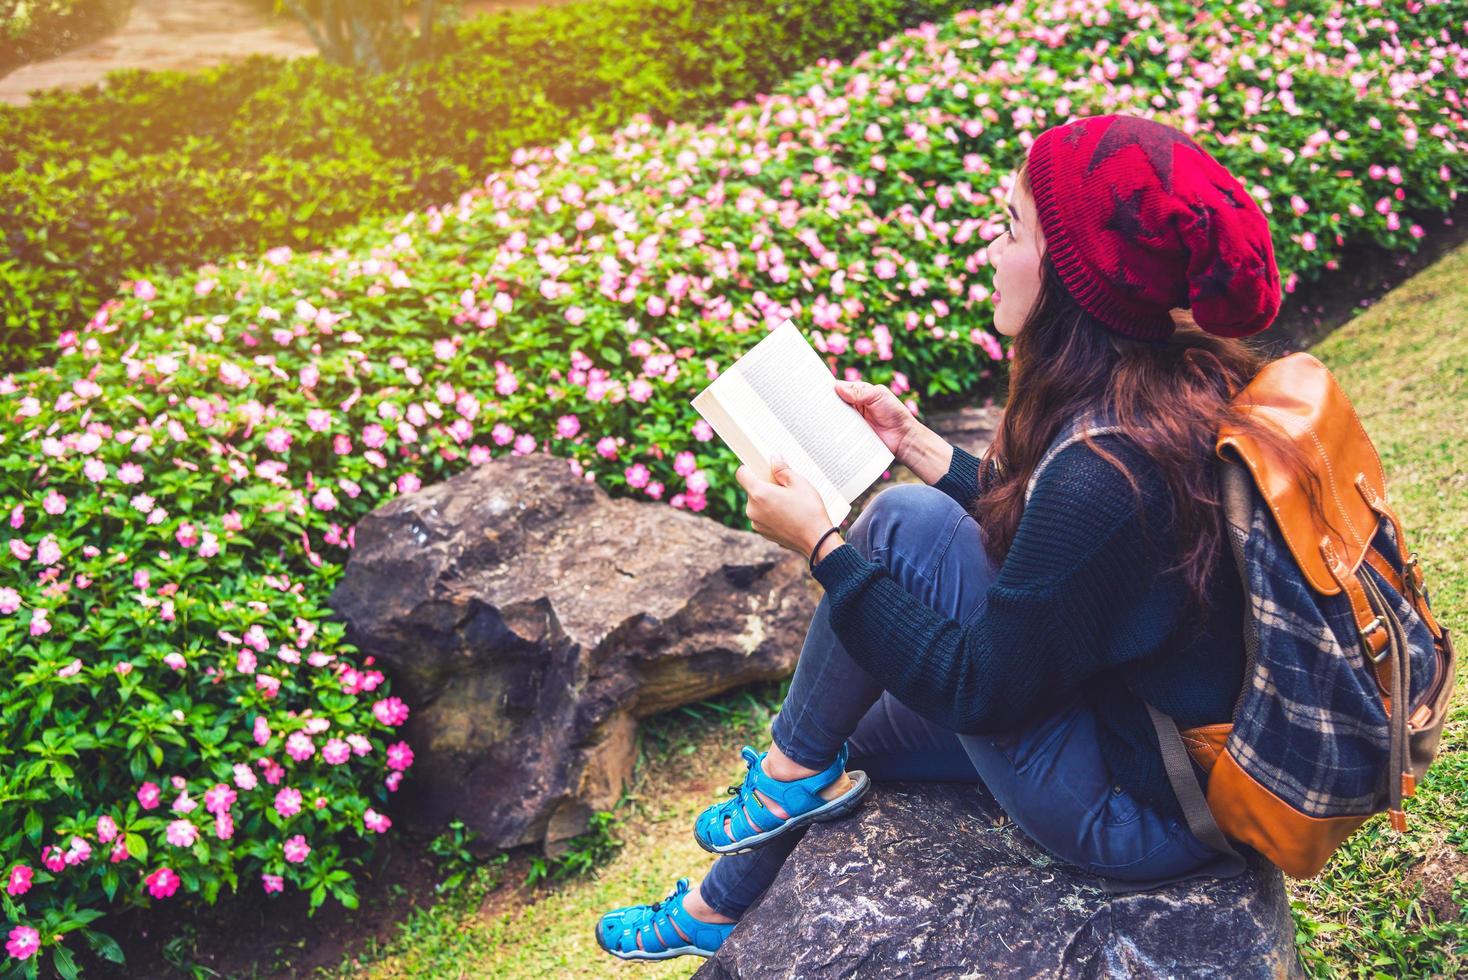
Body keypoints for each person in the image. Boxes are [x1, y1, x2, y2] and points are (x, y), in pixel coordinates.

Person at [595, 112, 1291, 961]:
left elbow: (982, 692)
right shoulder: (1170, 387)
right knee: (837, 729)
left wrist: (824, 549)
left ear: (1074, 278)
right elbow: (1064, 565)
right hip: (1125, 716)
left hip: (1144, 808)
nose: (991, 249)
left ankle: (780, 782)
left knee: (891, 529)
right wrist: (918, 444)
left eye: (1010, 228)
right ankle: (726, 889)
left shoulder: (1105, 470)